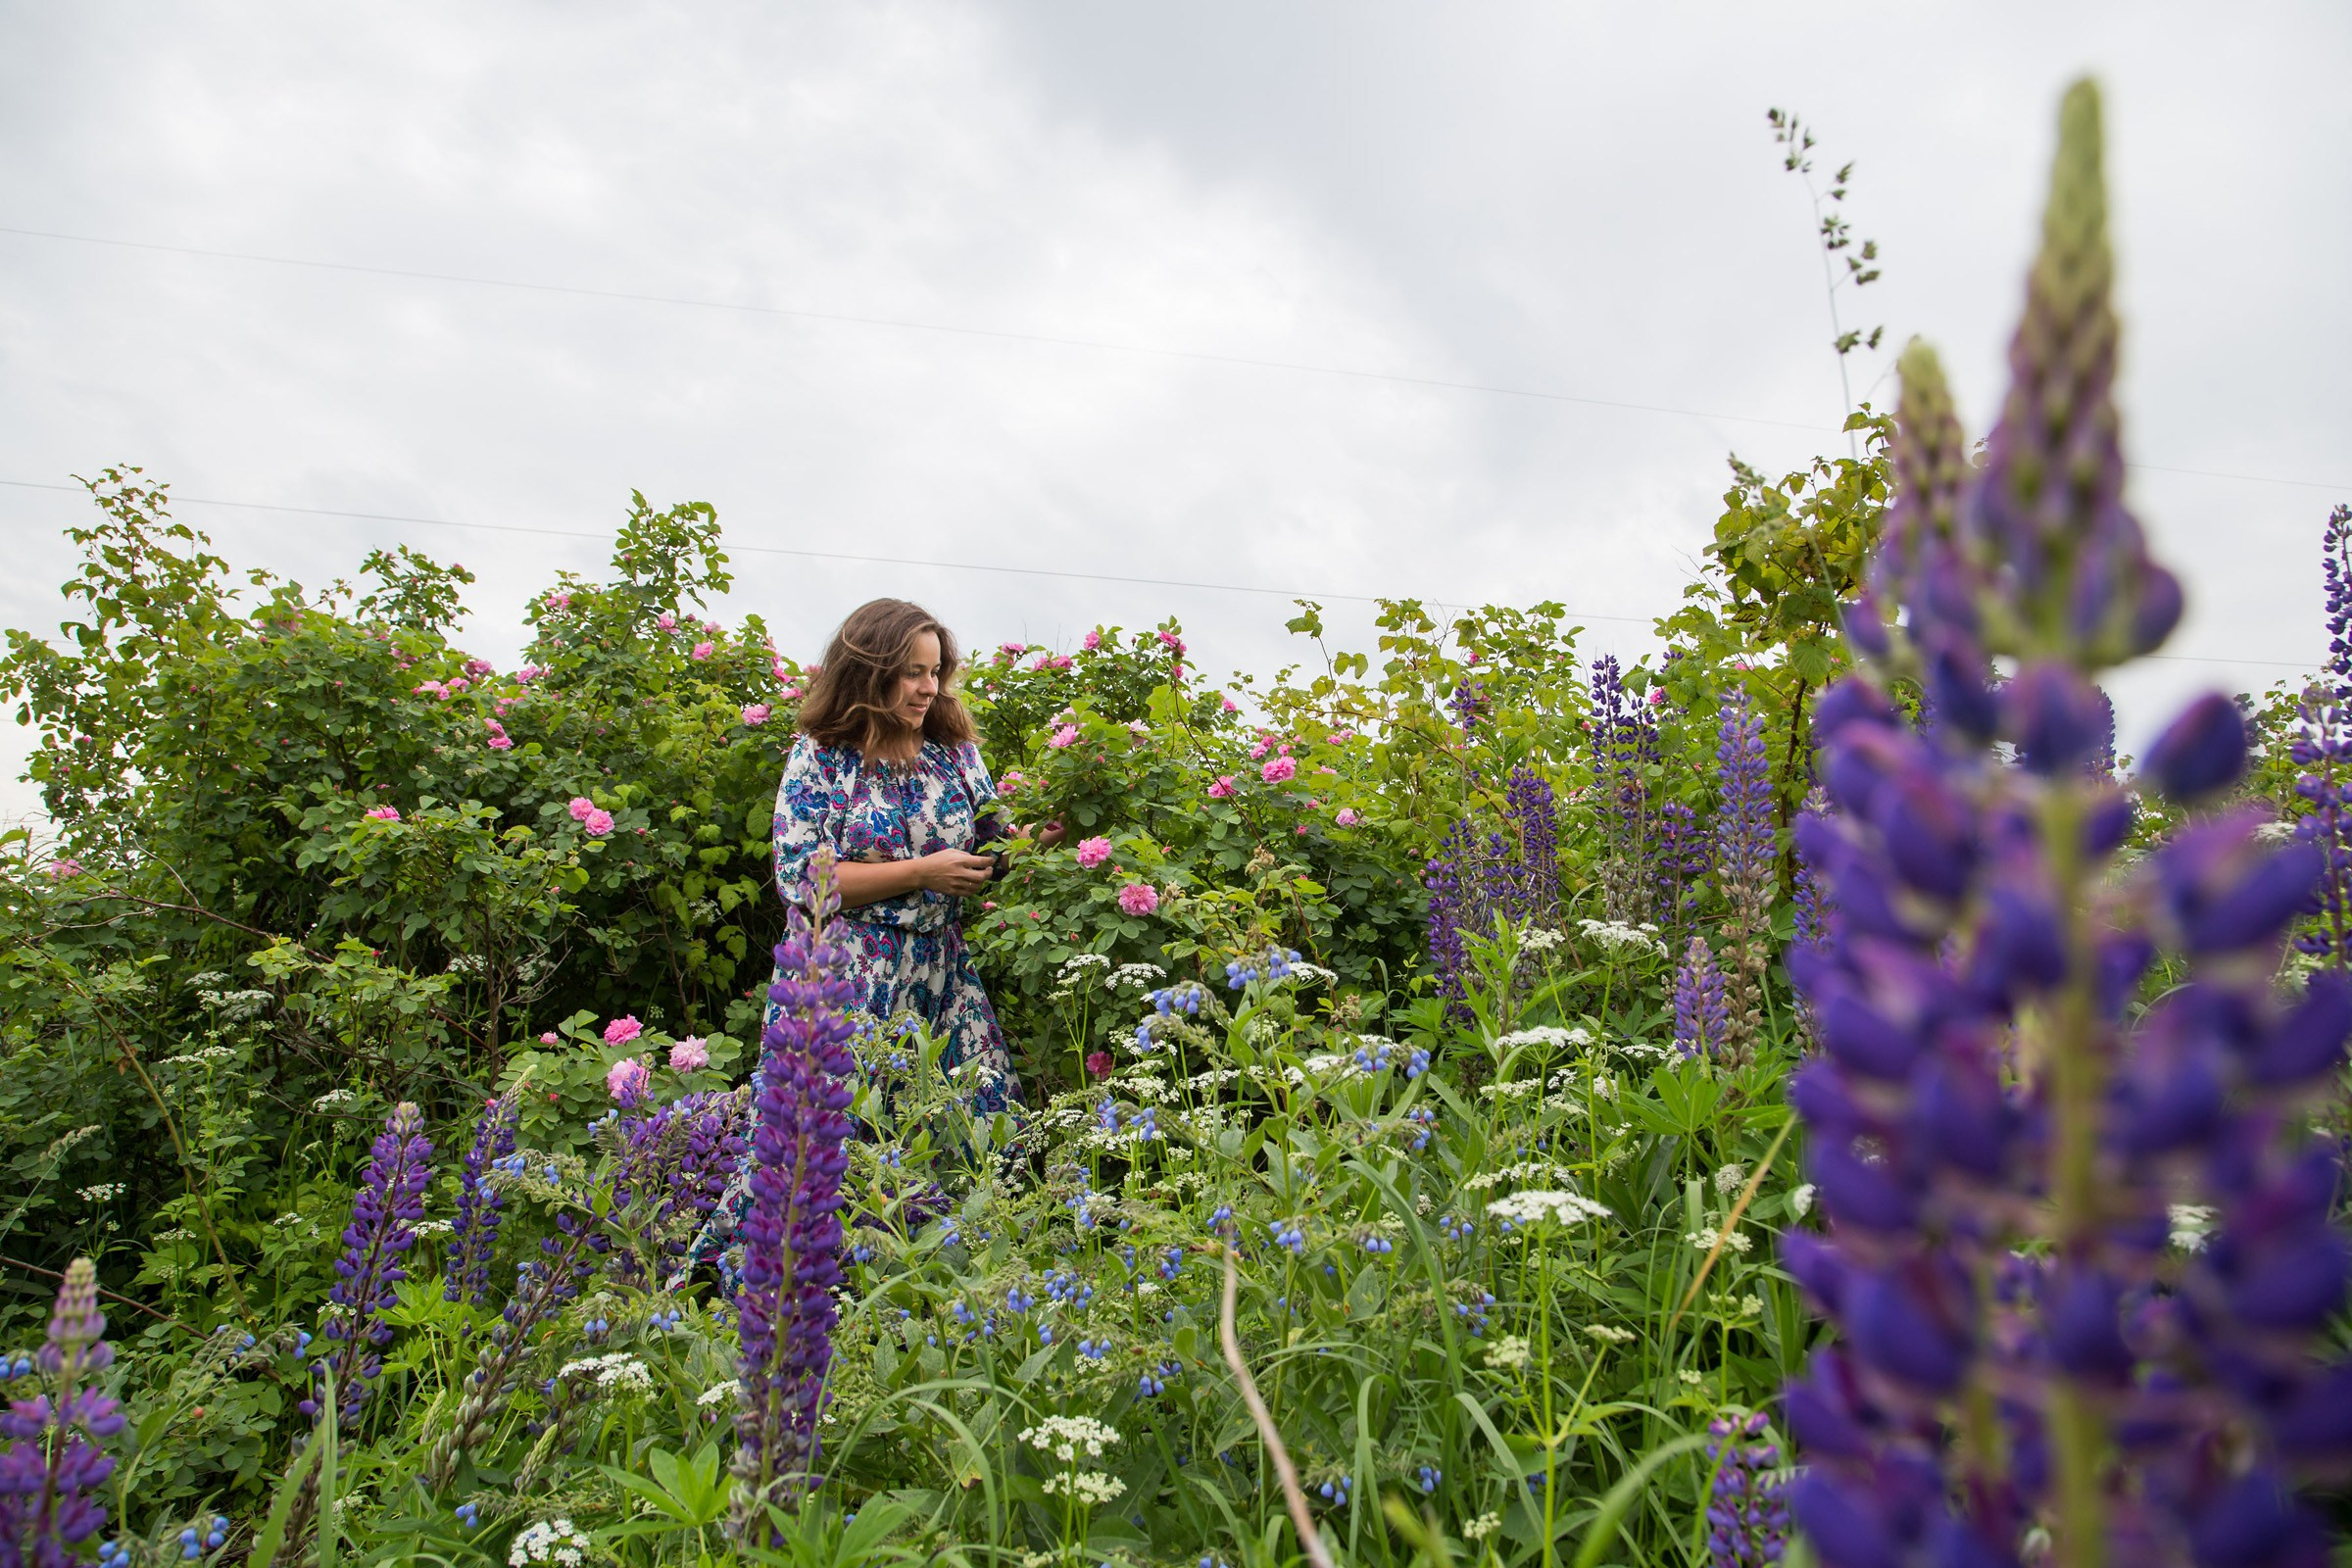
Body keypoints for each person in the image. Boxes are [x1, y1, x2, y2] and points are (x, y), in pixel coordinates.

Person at [766, 597, 1063, 1115]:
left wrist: (1040, 837)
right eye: (912, 674)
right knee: (832, 1143)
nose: (930, 687)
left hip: (940, 974)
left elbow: (996, 844)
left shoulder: (953, 751)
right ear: (868, 673)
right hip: (843, 973)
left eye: (934, 672)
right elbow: (800, 879)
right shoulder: (822, 754)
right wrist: (922, 873)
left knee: (980, 1131)